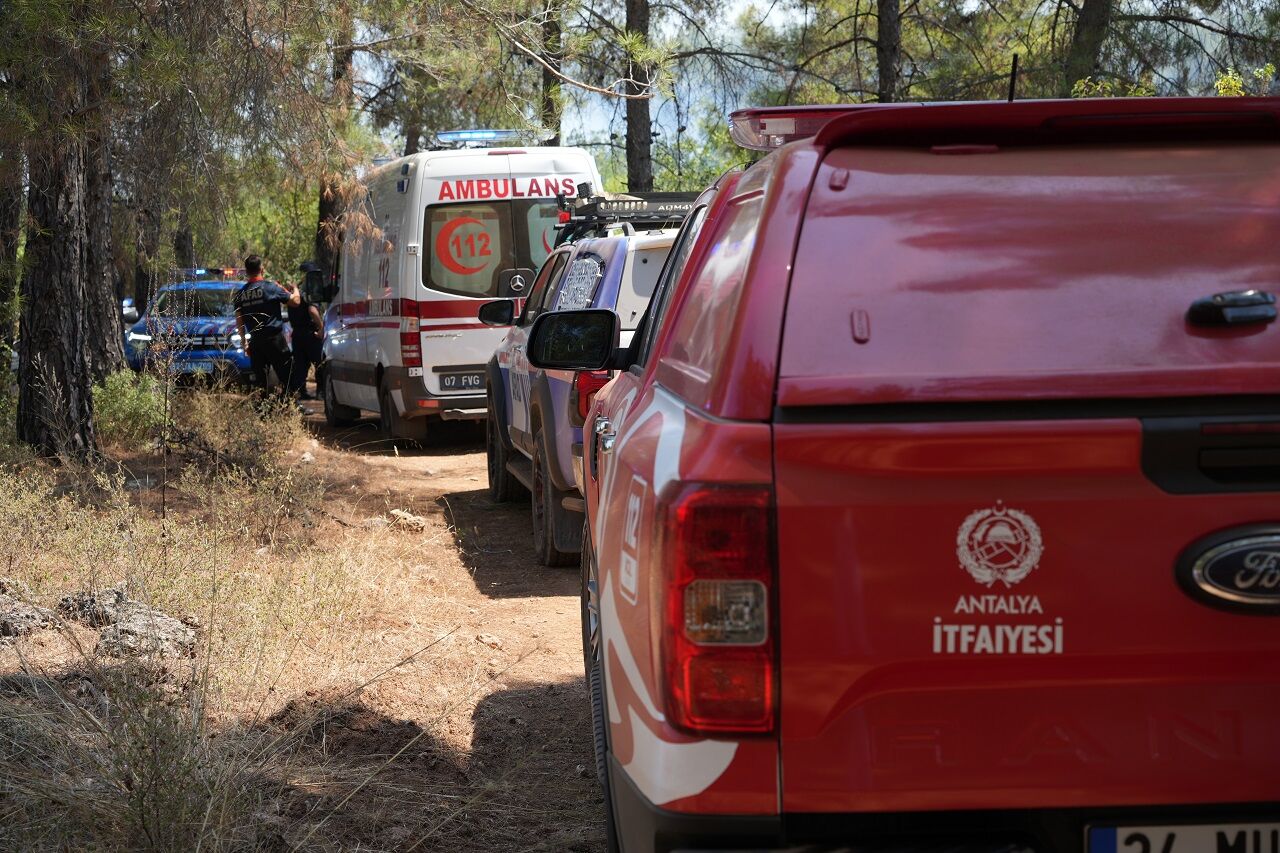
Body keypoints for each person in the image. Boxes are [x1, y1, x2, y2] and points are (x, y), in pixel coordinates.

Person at [233, 255, 300, 398]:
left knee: (260, 380)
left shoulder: (240, 294)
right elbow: (295, 302)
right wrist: (295, 289)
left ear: (246, 271)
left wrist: (244, 343)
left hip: (255, 341)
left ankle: (263, 411)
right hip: (274, 340)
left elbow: (239, 321)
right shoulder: (271, 287)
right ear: (261, 269)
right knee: (287, 374)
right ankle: (291, 404)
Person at [287, 280, 325, 399]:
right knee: (319, 363)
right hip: (310, 334)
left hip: (297, 335)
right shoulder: (307, 296)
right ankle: (321, 392)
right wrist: (321, 328)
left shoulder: (290, 299)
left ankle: (302, 392)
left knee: (300, 365)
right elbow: (312, 311)